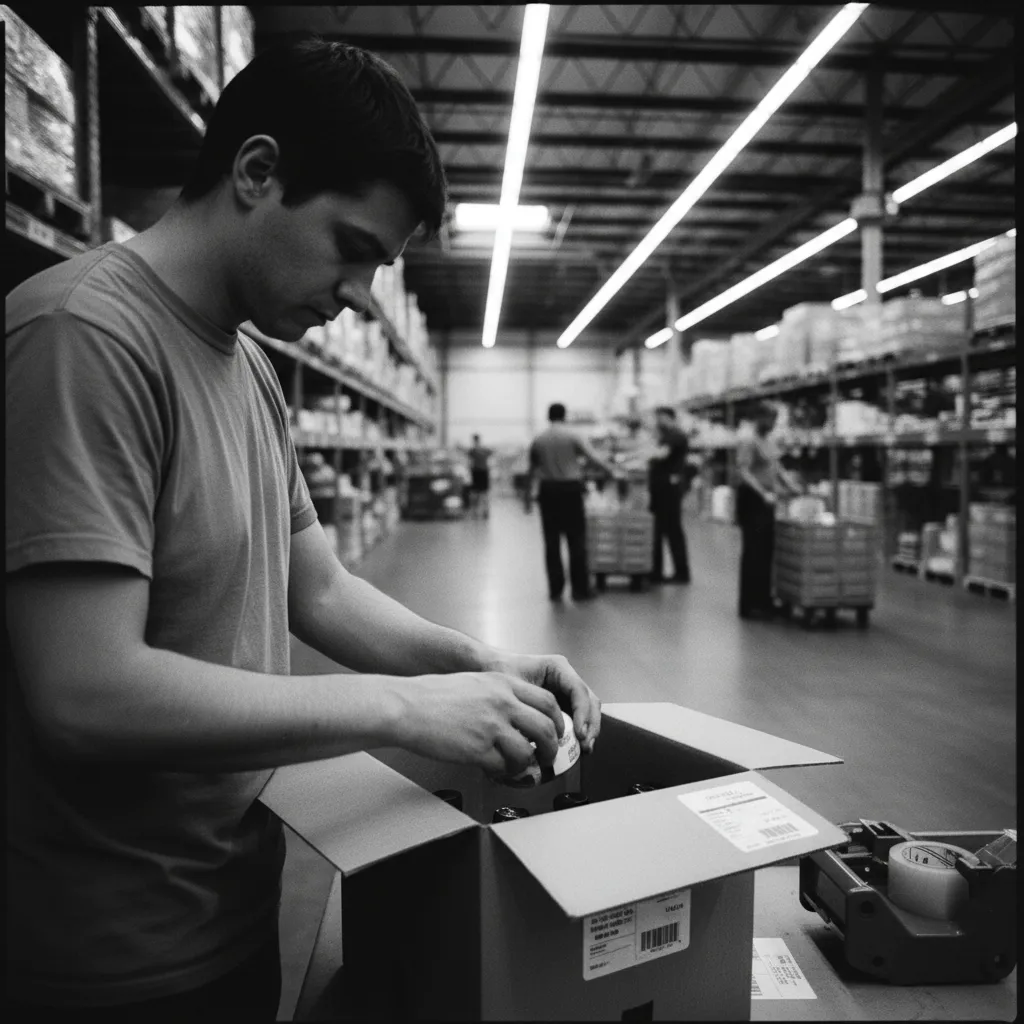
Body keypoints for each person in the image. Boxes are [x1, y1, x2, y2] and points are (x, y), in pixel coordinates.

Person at [5, 40, 601, 1021]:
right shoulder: (83, 341)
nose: (363, 294)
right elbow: (85, 690)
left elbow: (316, 588)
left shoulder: (250, 370)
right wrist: (400, 712)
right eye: (354, 248)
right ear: (257, 172)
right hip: (101, 954)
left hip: (227, 905)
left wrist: (481, 665)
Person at [528, 403, 619, 602]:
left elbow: (532, 468)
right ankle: (580, 589)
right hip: (570, 490)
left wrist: (530, 495)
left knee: (551, 542)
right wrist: (611, 470)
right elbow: (592, 457)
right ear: (565, 416)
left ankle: (555, 590)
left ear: (548, 416)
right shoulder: (572, 436)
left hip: (548, 491)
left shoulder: (539, 439)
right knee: (576, 539)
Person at [734, 402, 803, 619]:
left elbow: (776, 467)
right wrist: (762, 493)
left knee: (766, 551)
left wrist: (791, 486)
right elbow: (744, 472)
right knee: (754, 552)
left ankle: (764, 600)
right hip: (753, 500)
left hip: (767, 501)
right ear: (758, 418)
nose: (773, 424)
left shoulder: (768, 441)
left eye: (775, 420)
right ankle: (750, 605)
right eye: (770, 419)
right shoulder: (748, 441)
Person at [647, 406, 692, 584]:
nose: (657, 422)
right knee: (657, 530)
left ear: (668, 417)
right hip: (661, 490)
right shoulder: (666, 436)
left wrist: (644, 454)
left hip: (669, 490)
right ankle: (655, 572)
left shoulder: (676, 435)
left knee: (672, 530)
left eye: (659, 418)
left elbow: (661, 455)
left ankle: (681, 573)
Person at [467, 433, 493, 518]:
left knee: (481, 493)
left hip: (480, 472)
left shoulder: (475, 450)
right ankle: (480, 512)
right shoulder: (477, 450)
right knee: (478, 493)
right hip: (478, 472)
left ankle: (483, 511)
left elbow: (469, 460)